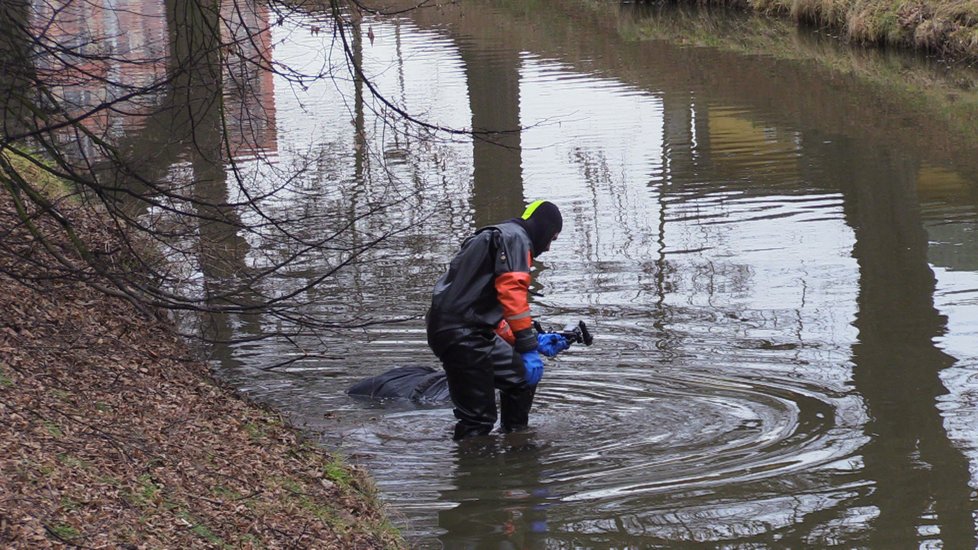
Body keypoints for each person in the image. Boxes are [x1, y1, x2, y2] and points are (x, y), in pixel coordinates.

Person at [425, 200, 568, 440]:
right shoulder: (516, 239)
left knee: (521, 379)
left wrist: (532, 340)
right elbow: (512, 294)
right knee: (478, 419)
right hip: (462, 336)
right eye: (552, 238)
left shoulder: (496, 237)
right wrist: (527, 346)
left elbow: (481, 307)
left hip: (465, 331)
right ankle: (475, 468)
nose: (549, 248)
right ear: (543, 228)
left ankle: (516, 441)